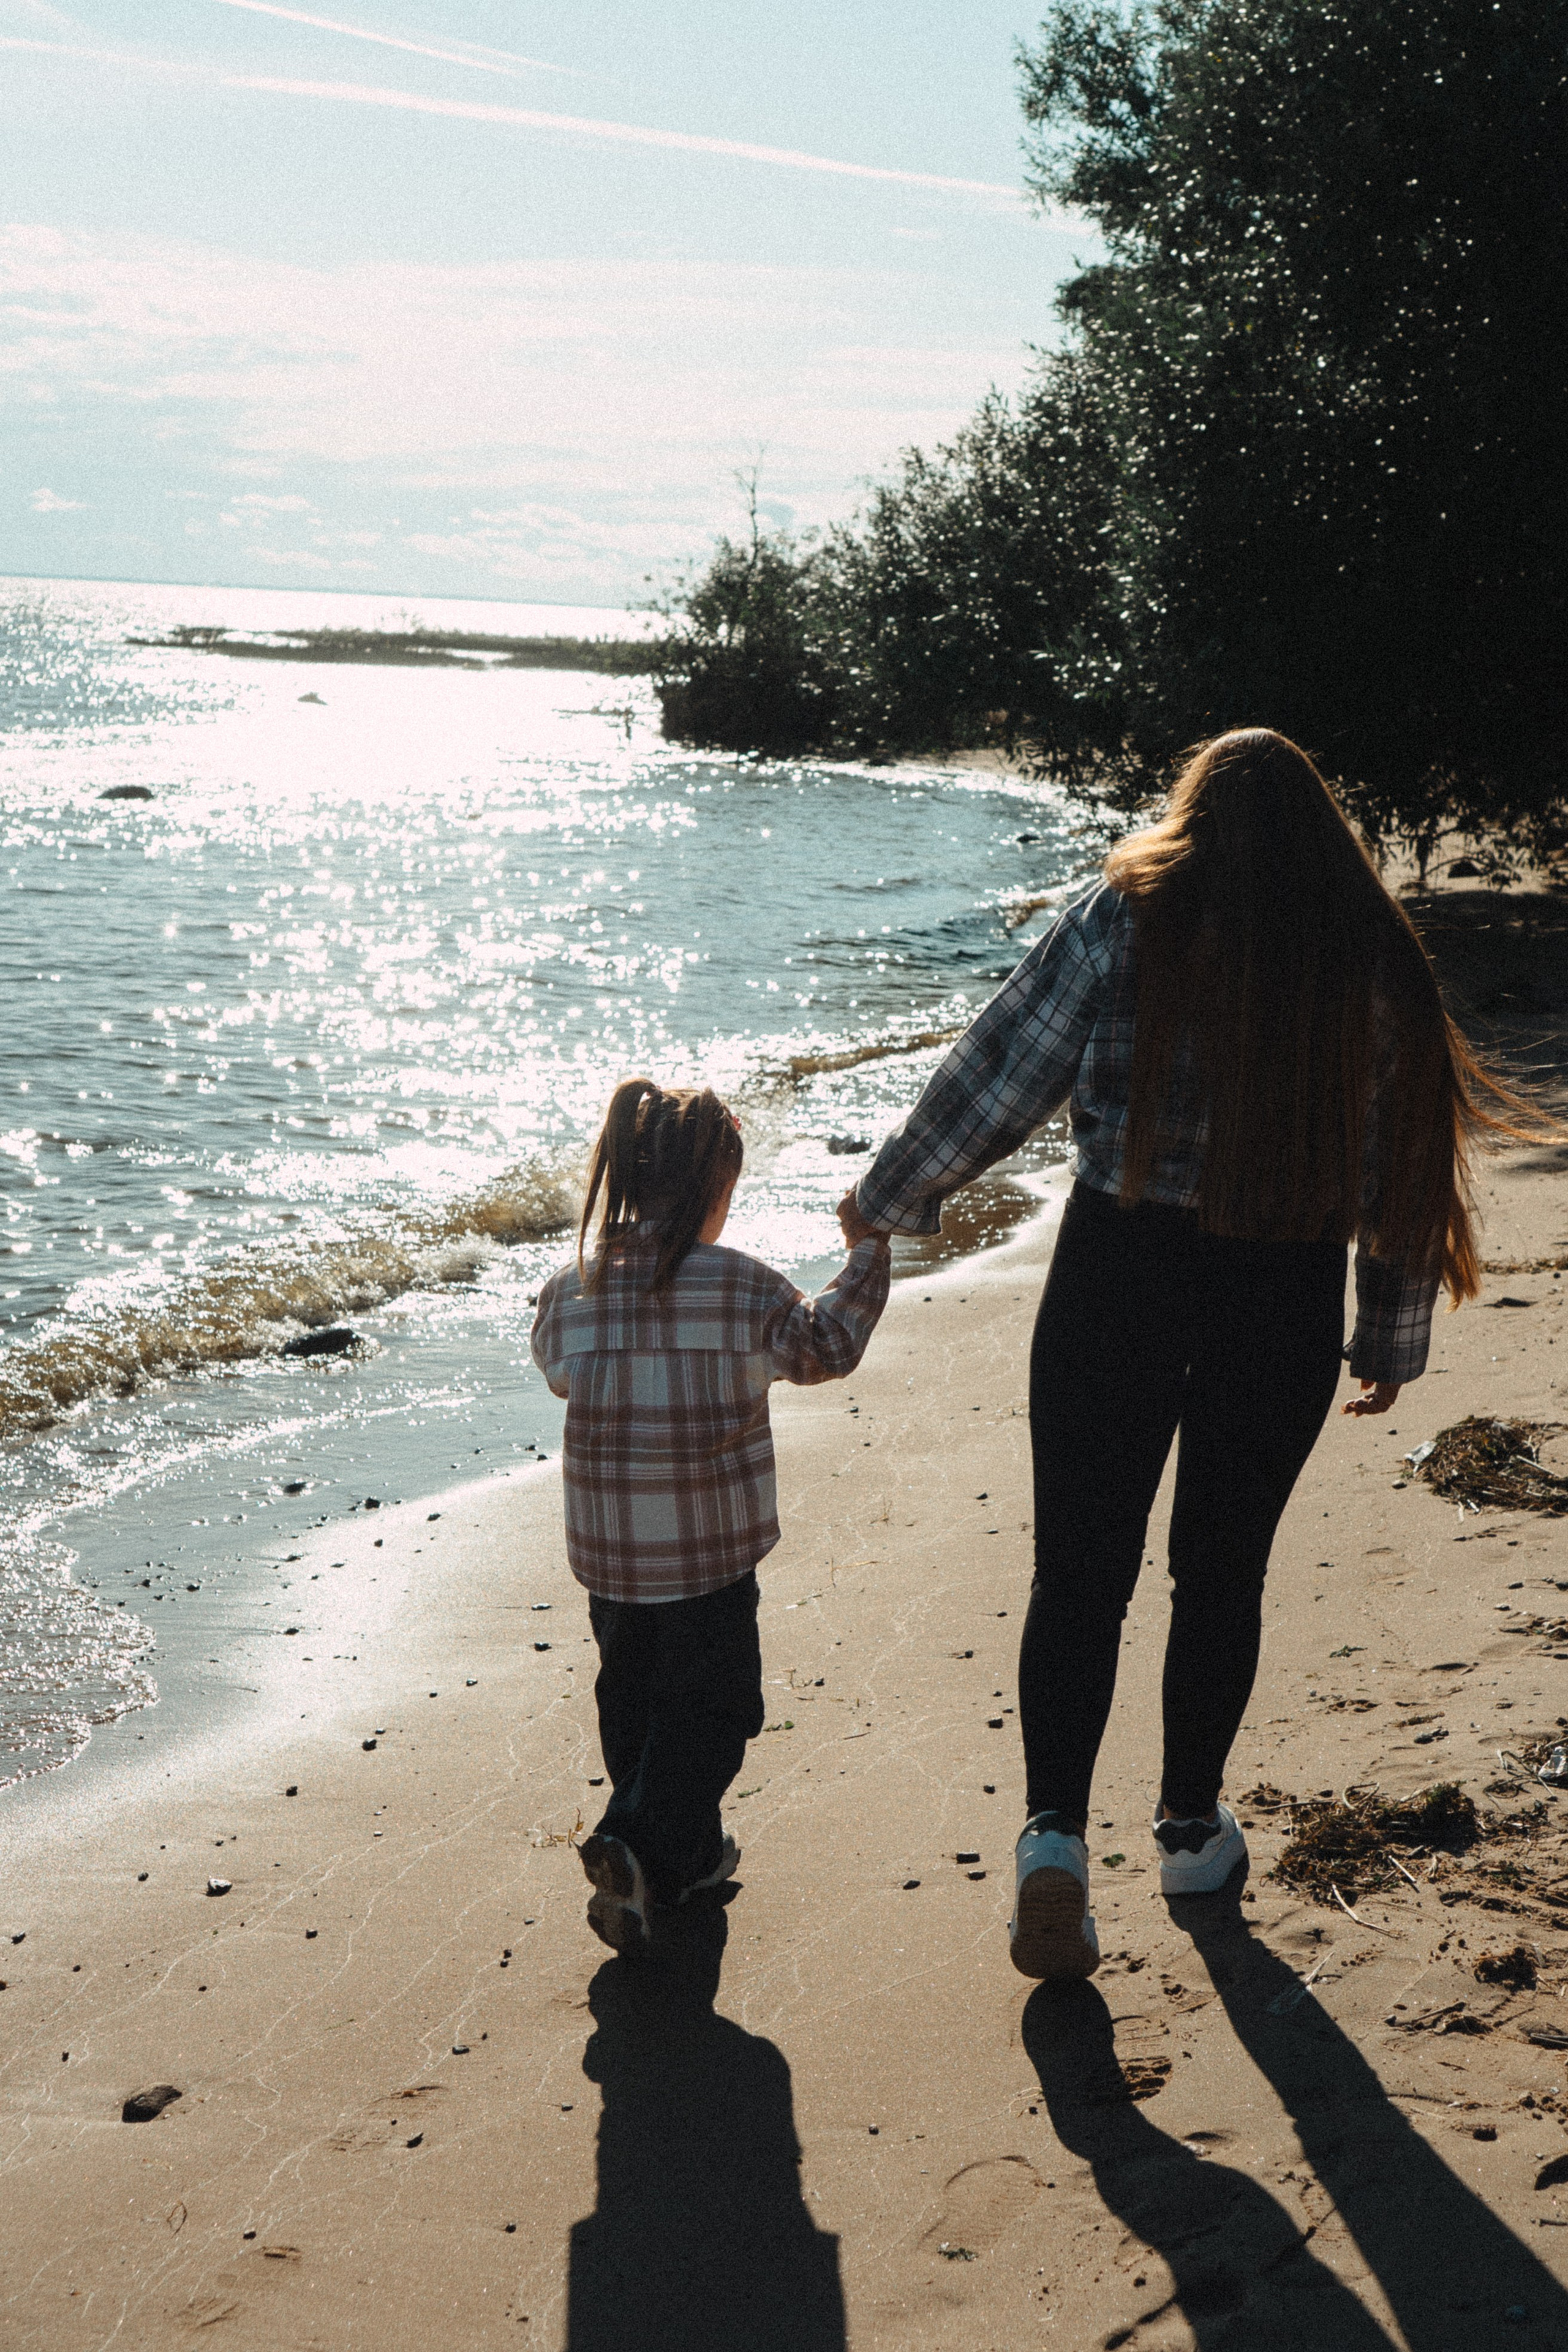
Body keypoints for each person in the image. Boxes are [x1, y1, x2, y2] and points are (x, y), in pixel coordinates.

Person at [842, 728, 1551, 1981]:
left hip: (1114, 1272)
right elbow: (1400, 1168)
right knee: (1217, 1577)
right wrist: (1385, 1332)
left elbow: (999, 1072)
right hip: (1277, 1289)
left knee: (1079, 1577)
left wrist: (890, 1197)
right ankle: (1184, 1831)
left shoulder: (1126, 918)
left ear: (1192, 815)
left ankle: (1052, 1842)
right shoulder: (1369, 955)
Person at [532, 1079, 890, 1956]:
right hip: (706, 1561)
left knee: (637, 1706)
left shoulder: (569, 1288)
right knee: (718, 1712)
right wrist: (868, 1251)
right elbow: (828, 1347)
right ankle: (635, 1844)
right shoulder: (738, 1288)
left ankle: (676, 1865)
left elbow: (553, 1367)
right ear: (714, 1190)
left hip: (611, 1559)